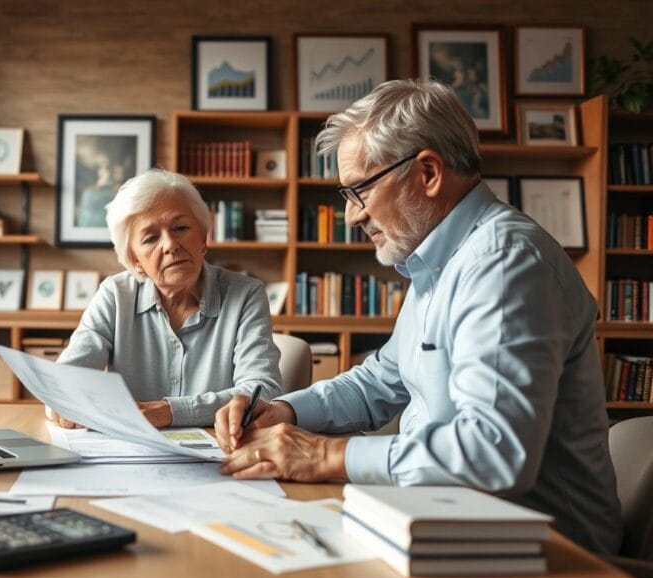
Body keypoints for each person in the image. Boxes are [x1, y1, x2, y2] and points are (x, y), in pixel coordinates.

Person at [213, 79, 622, 554]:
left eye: (359, 190)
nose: (351, 217)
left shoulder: (504, 264)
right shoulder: (436, 263)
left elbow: (492, 454)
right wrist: (284, 410)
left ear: (427, 172)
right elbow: (382, 381)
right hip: (449, 523)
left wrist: (325, 454)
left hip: (548, 554)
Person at [54, 168, 283, 428]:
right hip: (131, 451)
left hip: (218, 452)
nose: (170, 245)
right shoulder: (116, 295)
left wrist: (171, 411)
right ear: (135, 261)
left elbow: (263, 392)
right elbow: (65, 381)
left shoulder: (246, 294)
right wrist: (64, 403)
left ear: (203, 239)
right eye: (151, 238)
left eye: (181, 228)